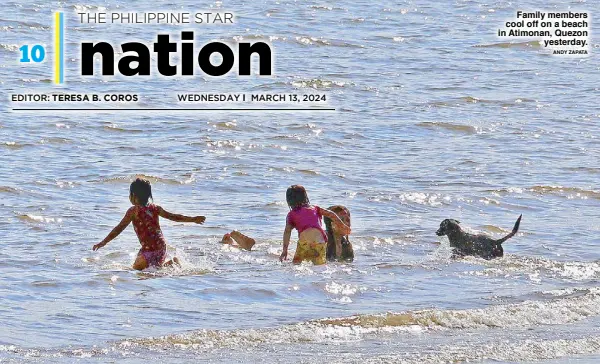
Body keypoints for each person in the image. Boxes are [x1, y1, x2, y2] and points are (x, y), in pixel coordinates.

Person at [92, 178, 206, 270]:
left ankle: (172, 263)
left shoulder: (133, 211)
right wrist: (193, 219)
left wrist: (103, 242)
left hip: (151, 248)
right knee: (153, 269)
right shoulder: (155, 208)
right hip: (159, 247)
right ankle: (172, 263)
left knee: (137, 269)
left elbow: (119, 228)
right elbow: (174, 217)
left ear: (134, 196)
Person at [280, 185, 351, 265]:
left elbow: (287, 232)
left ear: (289, 201)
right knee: (320, 265)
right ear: (305, 197)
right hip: (320, 242)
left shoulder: (291, 215)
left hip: (304, 243)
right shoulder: (315, 208)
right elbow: (331, 214)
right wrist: (342, 225)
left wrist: (285, 250)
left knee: (296, 264)